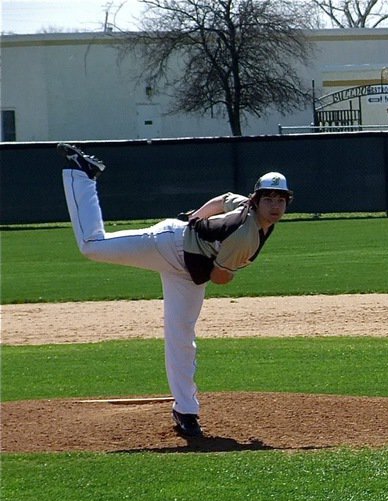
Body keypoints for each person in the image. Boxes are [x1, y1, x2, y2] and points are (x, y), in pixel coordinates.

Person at [58, 142, 292, 439]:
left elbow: (222, 199)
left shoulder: (249, 210)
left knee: (182, 339)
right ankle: (82, 174)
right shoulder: (245, 235)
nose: (275, 205)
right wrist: (223, 257)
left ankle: (186, 411)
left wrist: (198, 215)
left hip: (188, 272)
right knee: (92, 246)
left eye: (280, 199)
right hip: (170, 244)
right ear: (256, 200)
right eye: (268, 198)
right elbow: (219, 277)